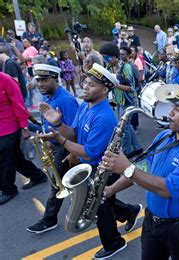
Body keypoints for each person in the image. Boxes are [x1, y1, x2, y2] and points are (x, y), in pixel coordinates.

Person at [39, 63, 142, 259]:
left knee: (101, 207)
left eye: (92, 84)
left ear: (104, 90)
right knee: (104, 203)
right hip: (91, 165)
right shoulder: (85, 106)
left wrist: (61, 140)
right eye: (85, 82)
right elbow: (74, 134)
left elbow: (89, 152)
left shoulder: (104, 117)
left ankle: (114, 243)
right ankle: (130, 212)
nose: (85, 86)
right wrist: (59, 124)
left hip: (103, 167)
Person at [101, 85, 179, 260]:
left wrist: (126, 168)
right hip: (152, 221)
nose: (170, 113)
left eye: (178, 109)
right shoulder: (164, 136)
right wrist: (110, 190)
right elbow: (143, 168)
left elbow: (168, 190)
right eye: (172, 107)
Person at [25, 64, 78, 233]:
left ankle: (49, 219)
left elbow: (74, 132)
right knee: (84, 186)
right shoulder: (49, 97)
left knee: (57, 185)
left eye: (45, 80)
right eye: (38, 80)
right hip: (57, 145)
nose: (40, 84)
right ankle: (127, 210)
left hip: (66, 149)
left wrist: (72, 153)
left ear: (55, 79)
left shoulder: (65, 100)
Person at [0, 72, 47, 205]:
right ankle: (37, 176)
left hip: (8, 126)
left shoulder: (6, 80)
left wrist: (24, 127)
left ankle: (8, 189)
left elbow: (18, 104)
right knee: (14, 157)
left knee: (5, 159)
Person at [100, 44, 142, 158]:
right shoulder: (109, 67)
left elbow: (131, 88)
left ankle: (128, 151)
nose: (105, 60)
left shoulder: (125, 67)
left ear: (114, 56)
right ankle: (138, 148)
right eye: (103, 57)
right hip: (118, 100)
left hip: (128, 101)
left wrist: (116, 84)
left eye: (107, 57)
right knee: (127, 125)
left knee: (123, 127)